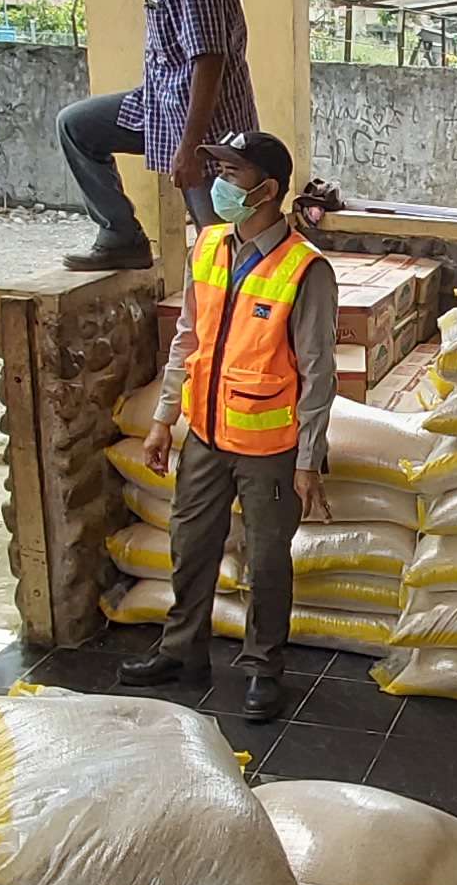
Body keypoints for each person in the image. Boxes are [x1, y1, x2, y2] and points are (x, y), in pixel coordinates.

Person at [118, 134, 330, 722]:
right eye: (220, 170)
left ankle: (263, 667)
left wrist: (309, 461)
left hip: (270, 448)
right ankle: (181, 652)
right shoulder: (209, 245)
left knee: (266, 561)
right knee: (190, 544)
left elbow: (319, 373)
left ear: (266, 189)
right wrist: (163, 419)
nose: (219, 183)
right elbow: (187, 338)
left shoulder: (305, 269)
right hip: (206, 438)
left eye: (232, 173)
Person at [57, 0, 256, 271]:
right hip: (160, 107)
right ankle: (121, 236)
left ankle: (235, 311)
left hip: (205, 128)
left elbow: (209, 56)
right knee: (77, 127)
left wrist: (191, 147)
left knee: (219, 253)